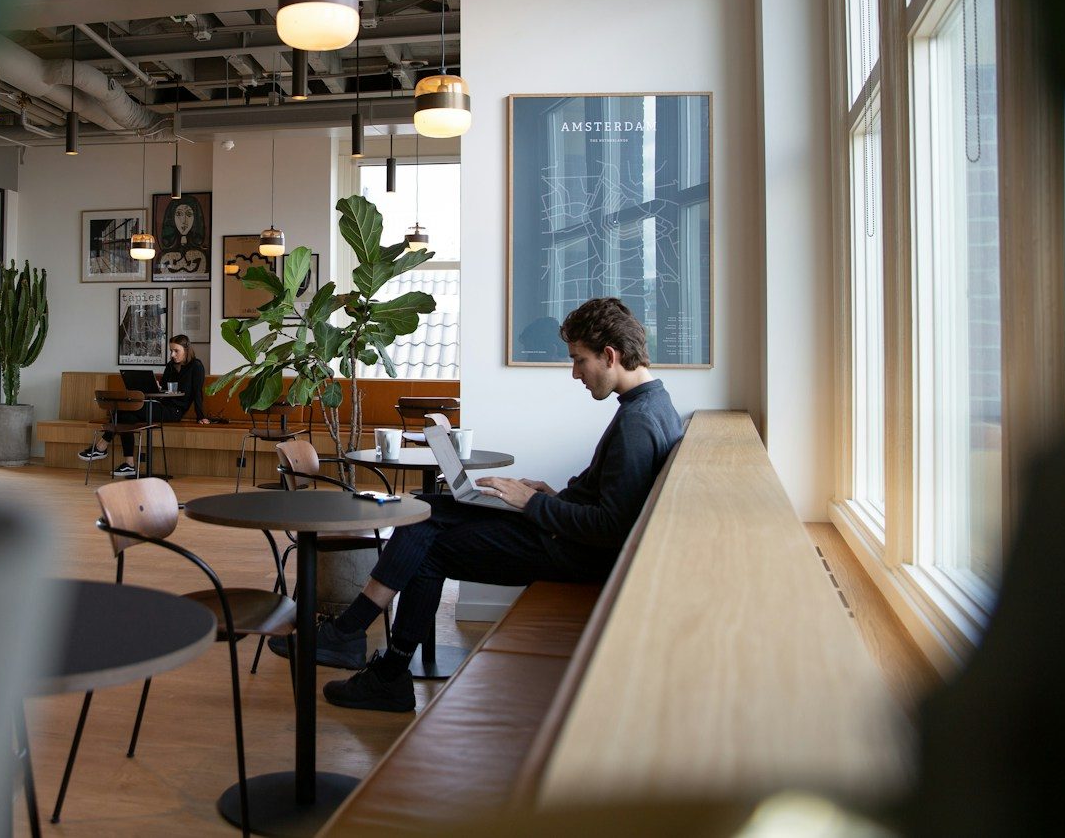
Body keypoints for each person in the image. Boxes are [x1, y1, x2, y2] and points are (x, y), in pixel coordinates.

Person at [274, 297, 683, 712]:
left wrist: (530, 504)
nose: (575, 373)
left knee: (427, 548)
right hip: (563, 533)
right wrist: (553, 495)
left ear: (610, 355)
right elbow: (611, 501)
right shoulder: (652, 405)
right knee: (425, 508)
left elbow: (611, 527)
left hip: (572, 552)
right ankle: (364, 650)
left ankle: (367, 652)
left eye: (579, 360)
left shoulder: (637, 423)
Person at [78, 334, 210, 478]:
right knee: (125, 414)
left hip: (174, 411)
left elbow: (198, 392)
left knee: (126, 410)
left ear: (186, 349)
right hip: (160, 405)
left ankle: (101, 447)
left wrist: (201, 416)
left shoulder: (196, 366)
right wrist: (157, 387)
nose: (172, 354)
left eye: (176, 351)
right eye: (171, 350)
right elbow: (164, 387)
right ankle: (129, 465)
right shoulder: (170, 366)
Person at [154, 196, 207, 278]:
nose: (184, 221)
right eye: (179, 214)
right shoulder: (164, 256)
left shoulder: (202, 255)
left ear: (195, 218)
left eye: (189, 214)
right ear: (172, 218)